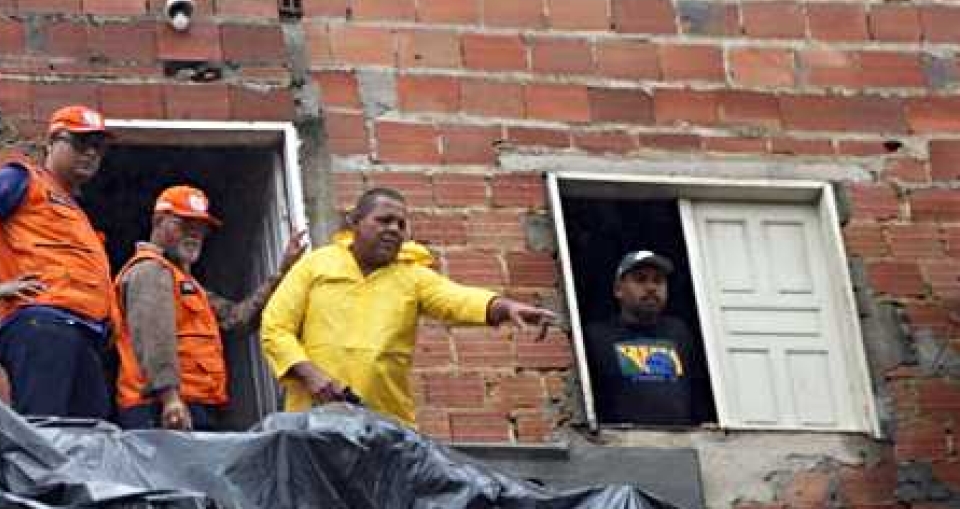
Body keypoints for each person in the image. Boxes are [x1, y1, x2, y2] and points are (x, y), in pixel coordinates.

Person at [260, 187, 557, 426]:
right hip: (312, 420)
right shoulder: (316, 264)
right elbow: (275, 327)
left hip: (383, 425)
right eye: (384, 220)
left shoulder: (412, 277)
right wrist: (311, 375)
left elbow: (456, 299)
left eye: (401, 225)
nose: (394, 229)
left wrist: (503, 307)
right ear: (354, 223)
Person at [0, 105, 116, 420]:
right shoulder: (24, 180)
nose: (90, 153)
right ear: (51, 143)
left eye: (98, 147)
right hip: (45, 326)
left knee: (90, 440)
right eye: (79, 143)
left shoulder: (73, 209)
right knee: (46, 433)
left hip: (81, 334)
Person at [115, 185, 309, 430]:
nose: (194, 234)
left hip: (191, 405)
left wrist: (282, 272)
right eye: (184, 224)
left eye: (201, 228)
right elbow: (155, 340)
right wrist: (171, 399)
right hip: (163, 408)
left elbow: (237, 319)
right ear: (158, 221)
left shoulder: (184, 283)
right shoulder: (150, 271)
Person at [583, 250, 712, 427]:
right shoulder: (596, 336)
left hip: (682, 442)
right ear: (618, 290)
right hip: (622, 445)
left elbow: (698, 388)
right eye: (640, 279)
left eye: (658, 280)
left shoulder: (679, 332)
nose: (651, 287)